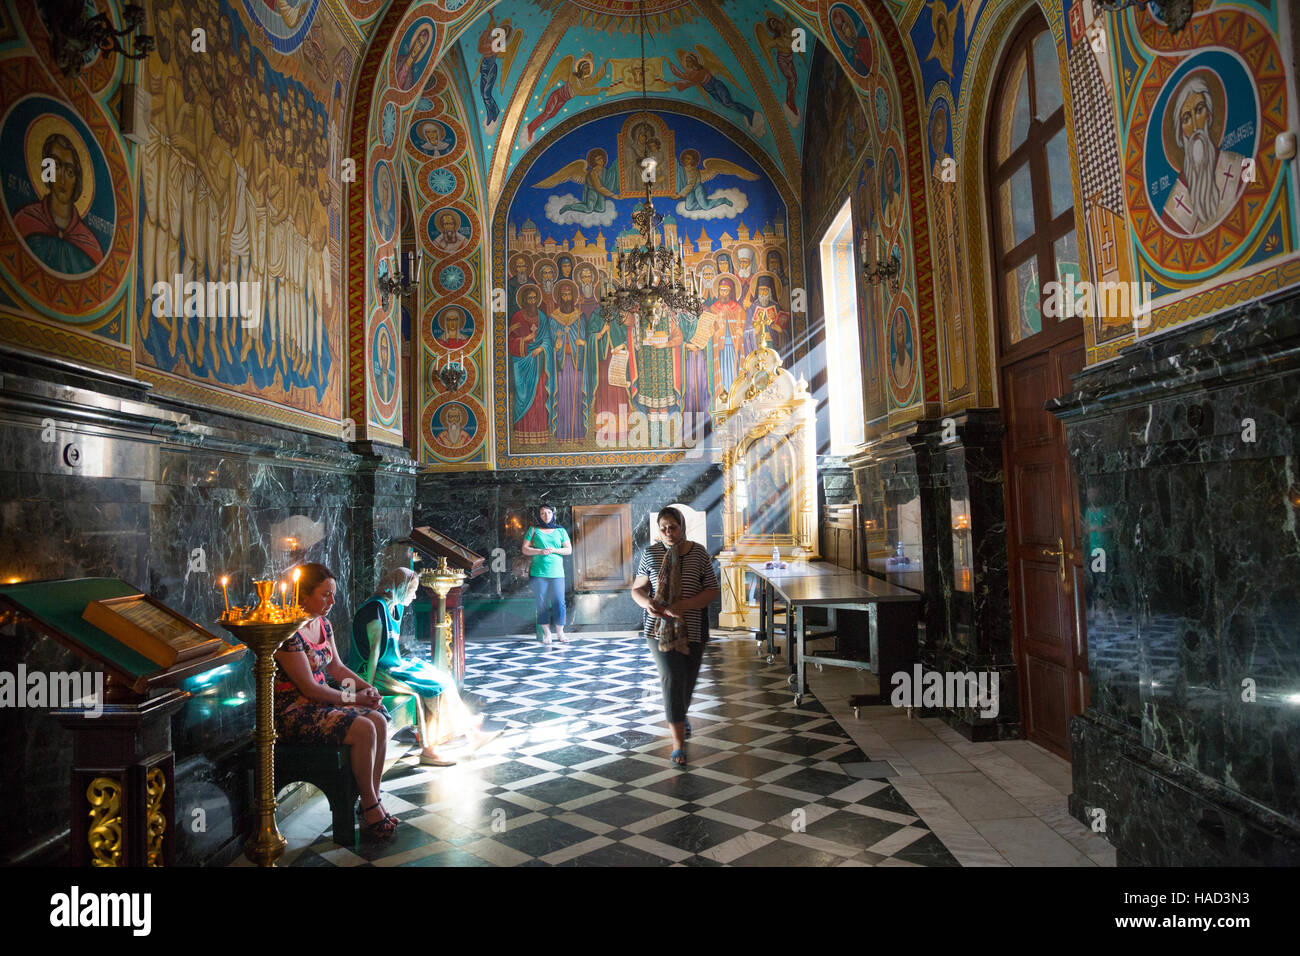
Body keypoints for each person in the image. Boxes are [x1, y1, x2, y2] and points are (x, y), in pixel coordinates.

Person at [273, 563, 396, 839]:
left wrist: (368, 689)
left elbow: (337, 669)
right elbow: (310, 689)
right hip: (295, 712)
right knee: (364, 728)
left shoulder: (323, 624)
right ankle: (370, 805)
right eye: (325, 595)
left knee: (378, 719)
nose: (332, 602)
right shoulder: (289, 632)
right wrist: (354, 699)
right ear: (303, 596)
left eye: (333, 595)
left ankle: (372, 799)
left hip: (320, 704)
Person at [351, 568, 499, 767]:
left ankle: (472, 732)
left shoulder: (395, 606)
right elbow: (374, 653)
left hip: (394, 665)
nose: (414, 596)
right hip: (376, 671)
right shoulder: (375, 609)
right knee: (429, 689)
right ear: (400, 588)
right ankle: (430, 750)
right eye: (412, 591)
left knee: (444, 679)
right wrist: (367, 687)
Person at [631, 507, 720, 766]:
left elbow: (711, 590)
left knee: (687, 681)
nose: (668, 532)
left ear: (682, 527)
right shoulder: (651, 553)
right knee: (671, 678)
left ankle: (680, 715)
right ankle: (678, 743)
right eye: (664, 528)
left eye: (673, 527)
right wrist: (646, 602)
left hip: (693, 627)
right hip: (659, 628)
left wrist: (685, 605)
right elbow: (637, 589)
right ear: (659, 530)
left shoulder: (698, 553)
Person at [521, 504, 572, 643]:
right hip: (538, 573)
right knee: (542, 603)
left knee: (559, 603)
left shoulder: (560, 530)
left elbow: (568, 550)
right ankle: (547, 633)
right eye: (542, 513)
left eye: (548, 512)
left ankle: (560, 633)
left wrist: (554, 550)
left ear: (553, 514)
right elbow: (525, 549)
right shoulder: (533, 530)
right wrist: (540, 551)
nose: (546, 515)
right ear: (539, 516)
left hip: (557, 573)